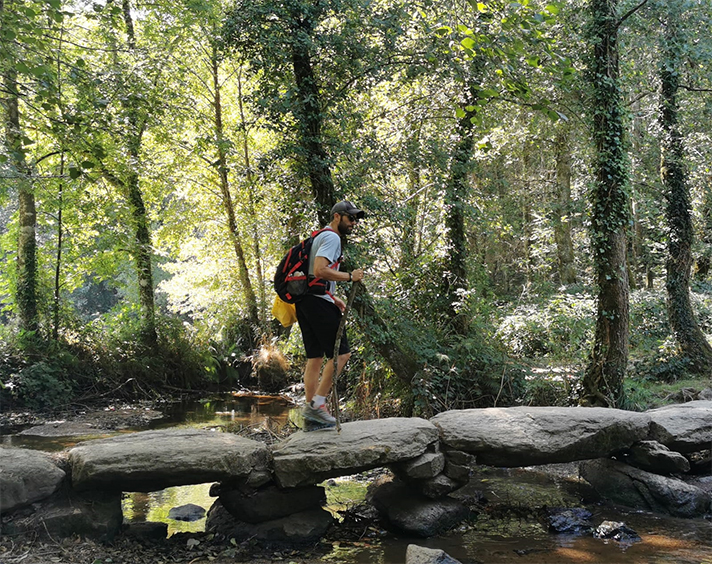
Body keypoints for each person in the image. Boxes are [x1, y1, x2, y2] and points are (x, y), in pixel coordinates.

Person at [296, 200, 365, 426]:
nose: (353, 223)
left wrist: (333, 297)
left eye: (355, 219)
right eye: (350, 218)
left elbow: (312, 275)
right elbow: (319, 270)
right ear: (337, 217)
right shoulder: (332, 238)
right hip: (317, 303)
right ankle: (317, 405)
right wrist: (349, 276)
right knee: (342, 355)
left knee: (314, 357)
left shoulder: (319, 236)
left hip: (306, 301)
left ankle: (310, 414)